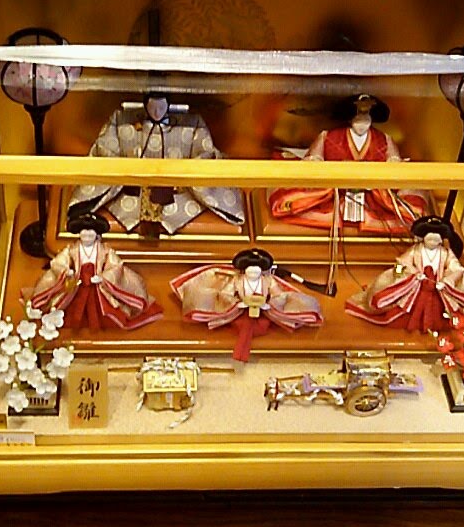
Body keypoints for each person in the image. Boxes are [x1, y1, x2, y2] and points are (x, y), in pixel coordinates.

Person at [68, 94, 245, 238]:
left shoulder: (191, 124)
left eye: (161, 107)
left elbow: (204, 154)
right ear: (145, 106)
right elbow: (105, 150)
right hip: (130, 190)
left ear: (168, 105)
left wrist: (180, 174)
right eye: (152, 108)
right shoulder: (122, 120)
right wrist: (128, 173)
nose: (157, 112)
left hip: (179, 193)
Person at [268, 94, 428, 234]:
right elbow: (314, 160)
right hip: (335, 193)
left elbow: (394, 164)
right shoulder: (329, 136)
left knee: (407, 211)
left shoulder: (383, 139)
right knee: (295, 202)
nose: (362, 119)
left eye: (366, 113)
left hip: (373, 195)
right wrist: (331, 172)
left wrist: (378, 176)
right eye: (358, 113)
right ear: (350, 116)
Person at [171, 247, 325, 361]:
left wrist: (268, 305)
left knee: (261, 325)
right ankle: (240, 353)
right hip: (239, 310)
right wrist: (237, 304)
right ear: (244, 271)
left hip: (264, 311)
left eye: (256, 271)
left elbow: (278, 295)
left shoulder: (268, 280)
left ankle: (241, 353)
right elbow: (226, 294)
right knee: (242, 324)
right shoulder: (237, 280)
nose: (253, 273)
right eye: (250, 271)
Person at [346, 215, 464, 331]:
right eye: (430, 236)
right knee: (404, 310)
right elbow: (402, 263)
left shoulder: (445, 253)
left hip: (438, 289)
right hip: (416, 287)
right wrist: (414, 274)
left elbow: (457, 269)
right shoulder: (416, 250)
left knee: (441, 313)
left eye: (436, 237)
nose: (433, 239)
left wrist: (447, 280)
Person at [24, 228, 162, 332]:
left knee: (104, 310)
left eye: (91, 232)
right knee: (69, 309)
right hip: (77, 284)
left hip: (98, 286)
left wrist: (103, 277)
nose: (87, 235)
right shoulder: (72, 249)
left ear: (97, 234)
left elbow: (116, 265)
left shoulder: (104, 250)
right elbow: (58, 262)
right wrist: (67, 271)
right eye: (84, 231)